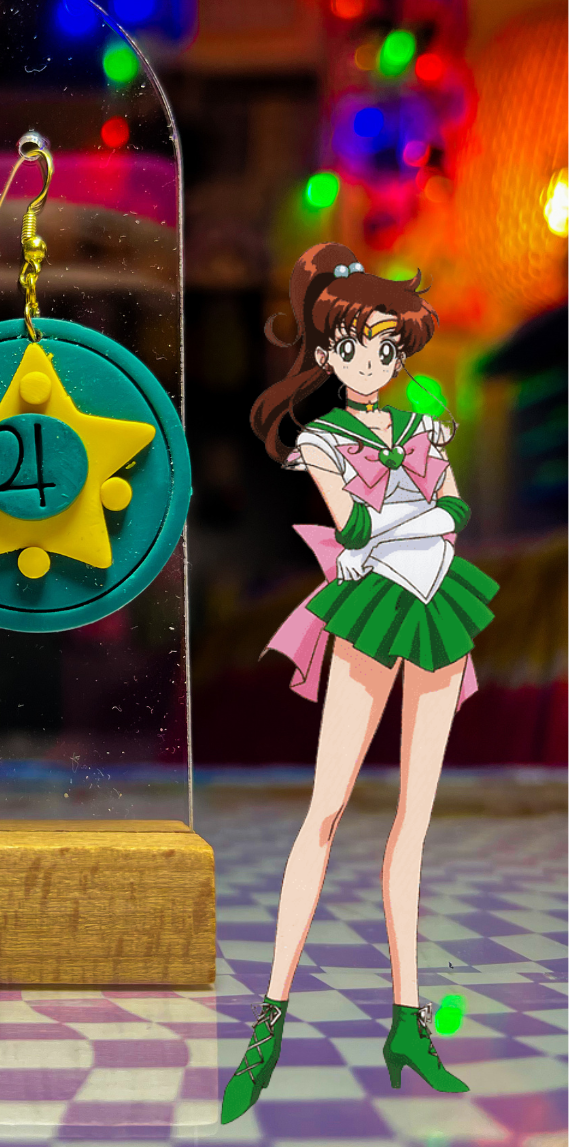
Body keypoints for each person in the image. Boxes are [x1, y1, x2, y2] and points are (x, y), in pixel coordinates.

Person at [221, 241, 498, 1124]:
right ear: (325, 351)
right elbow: (359, 527)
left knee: (415, 819)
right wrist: (410, 515)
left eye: (386, 347)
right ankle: (269, 1022)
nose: (372, 362)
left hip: (437, 604)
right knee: (327, 809)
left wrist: (409, 516)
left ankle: (408, 1023)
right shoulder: (322, 438)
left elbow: (453, 512)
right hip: (374, 612)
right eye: (353, 347)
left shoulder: (419, 428)